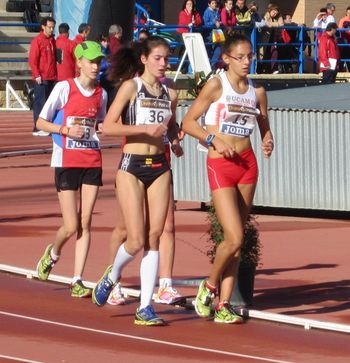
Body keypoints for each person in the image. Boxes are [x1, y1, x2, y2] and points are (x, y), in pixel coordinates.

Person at [182, 34, 274, 324]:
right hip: (221, 164)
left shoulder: (257, 92)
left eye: (250, 56)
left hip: (247, 164)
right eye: (241, 57)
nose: (247, 61)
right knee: (233, 236)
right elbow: (188, 122)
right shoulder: (216, 85)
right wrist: (212, 139)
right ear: (226, 58)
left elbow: (263, 124)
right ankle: (208, 287)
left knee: (238, 239)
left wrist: (268, 139)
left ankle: (223, 303)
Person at [92, 36, 183, 326]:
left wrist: (175, 138)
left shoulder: (171, 93)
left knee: (154, 236)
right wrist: (144, 129)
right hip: (131, 165)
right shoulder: (131, 87)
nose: (163, 64)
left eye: (166, 59)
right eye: (157, 58)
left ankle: (145, 307)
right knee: (135, 239)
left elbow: (170, 127)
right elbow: (107, 126)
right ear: (143, 59)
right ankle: (112, 274)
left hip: (160, 166)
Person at [35, 41, 107, 298]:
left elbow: (99, 123)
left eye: (98, 61)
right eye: (91, 61)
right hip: (66, 160)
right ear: (79, 63)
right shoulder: (64, 88)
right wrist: (65, 130)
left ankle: (77, 278)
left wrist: (99, 128)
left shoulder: (102, 94)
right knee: (71, 224)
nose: (96, 66)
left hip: (91, 159)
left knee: (86, 222)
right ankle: (53, 253)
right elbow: (41, 121)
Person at [28, 16, 57, 136]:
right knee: (40, 102)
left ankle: (46, 126)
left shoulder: (52, 40)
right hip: (42, 77)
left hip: (52, 77)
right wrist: (37, 74)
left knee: (50, 103)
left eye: (53, 27)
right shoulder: (37, 41)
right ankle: (37, 127)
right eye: (49, 27)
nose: (51, 29)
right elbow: (32, 60)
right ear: (43, 27)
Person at [263, 4, 284, 73]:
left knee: (274, 52)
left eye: (276, 13)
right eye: (273, 12)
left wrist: (279, 16)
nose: (274, 14)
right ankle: (263, 69)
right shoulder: (265, 15)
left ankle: (274, 69)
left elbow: (281, 24)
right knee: (264, 54)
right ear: (270, 10)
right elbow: (267, 23)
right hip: (264, 39)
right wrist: (275, 24)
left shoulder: (276, 18)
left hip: (273, 39)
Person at [203, 0, 222, 69]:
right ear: (209, 4)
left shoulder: (216, 11)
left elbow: (218, 19)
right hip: (208, 35)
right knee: (208, 52)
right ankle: (209, 67)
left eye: (215, 3)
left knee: (218, 49)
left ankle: (212, 66)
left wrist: (219, 22)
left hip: (216, 34)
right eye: (212, 3)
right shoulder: (207, 12)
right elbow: (205, 23)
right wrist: (214, 23)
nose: (214, 5)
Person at [338, 6, 350, 71]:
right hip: (345, 40)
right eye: (348, 13)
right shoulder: (343, 20)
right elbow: (340, 29)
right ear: (346, 13)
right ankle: (341, 69)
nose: (349, 14)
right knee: (344, 54)